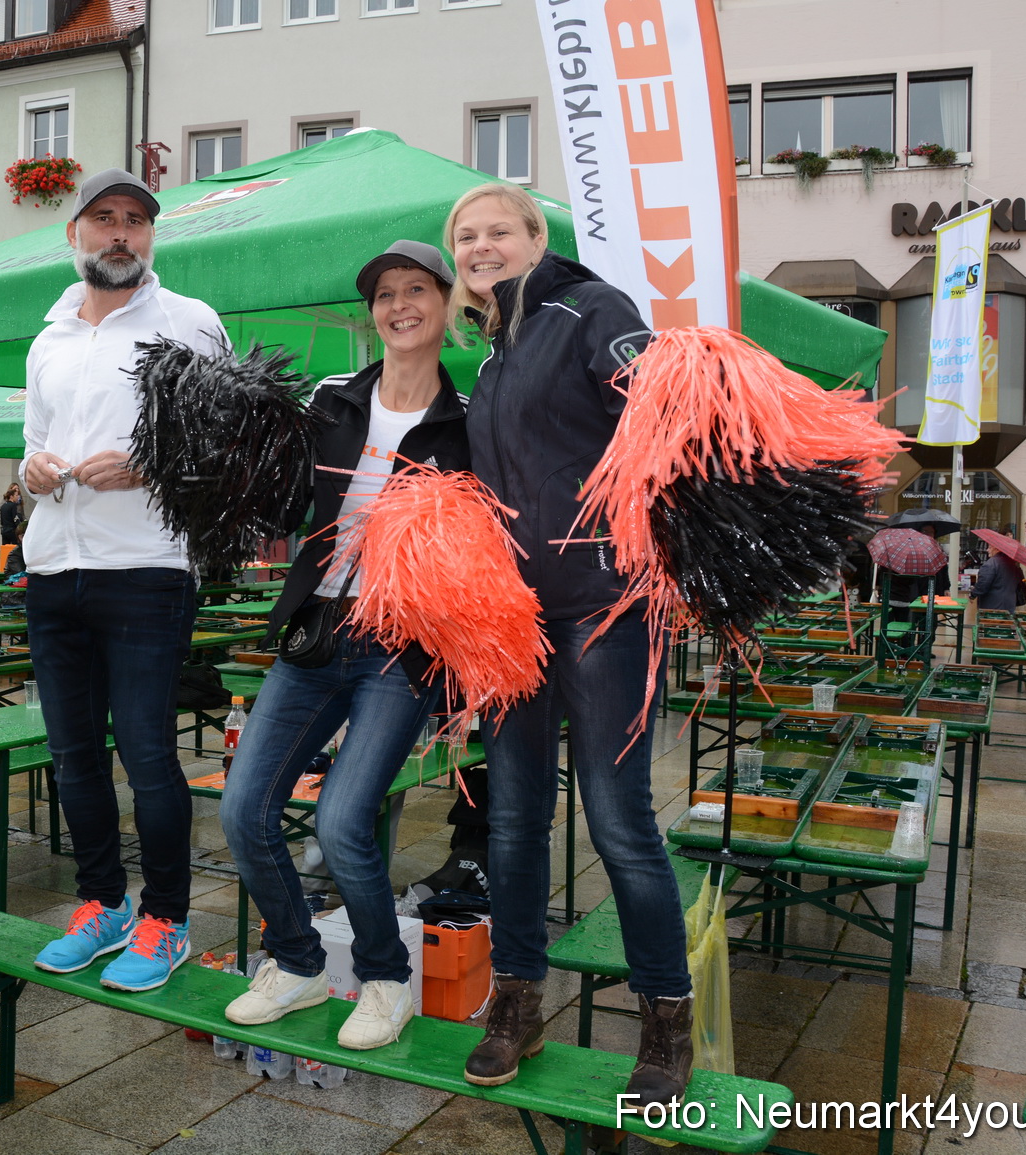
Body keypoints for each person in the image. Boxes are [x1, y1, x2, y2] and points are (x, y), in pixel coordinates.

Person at [445, 184, 693, 1098]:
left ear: (535, 236)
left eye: (496, 231)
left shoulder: (591, 308)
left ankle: (667, 1014)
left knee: (619, 821)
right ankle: (517, 999)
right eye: (466, 237)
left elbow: (667, 416)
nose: (480, 247)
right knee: (511, 822)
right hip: (516, 618)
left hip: (605, 603)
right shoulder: (491, 353)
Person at [219, 241, 470, 1050]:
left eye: (417, 290)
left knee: (342, 820)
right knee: (243, 809)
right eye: (385, 294)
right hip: (317, 626)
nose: (400, 305)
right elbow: (289, 504)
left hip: (400, 644)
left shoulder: (467, 422)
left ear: (446, 304)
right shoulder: (331, 399)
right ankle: (294, 961)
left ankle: (387, 977)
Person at [20, 168, 226, 991]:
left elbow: (226, 448)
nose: (119, 233)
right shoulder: (47, 338)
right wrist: (32, 471)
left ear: (152, 236)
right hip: (52, 567)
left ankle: (165, 919)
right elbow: (35, 439)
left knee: (146, 754)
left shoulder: (189, 322)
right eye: (103, 218)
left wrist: (149, 466)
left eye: (135, 221)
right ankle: (100, 902)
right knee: (72, 757)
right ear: (74, 234)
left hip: (145, 568)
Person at [972, 543, 1024, 612]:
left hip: (992, 606)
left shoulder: (990, 564)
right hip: (1010, 605)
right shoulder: (1013, 564)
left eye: (990, 548)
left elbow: (983, 585)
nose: (987, 550)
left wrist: (973, 594)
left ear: (997, 549)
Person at [0, 482, 24, 547]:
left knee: (5, 547)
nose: (17, 497)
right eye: (16, 495)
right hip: (12, 530)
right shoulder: (13, 505)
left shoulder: (3, 506)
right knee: (16, 547)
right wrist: (19, 527)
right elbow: (15, 518)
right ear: (11, 497)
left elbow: (1, 520)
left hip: (4, 530)